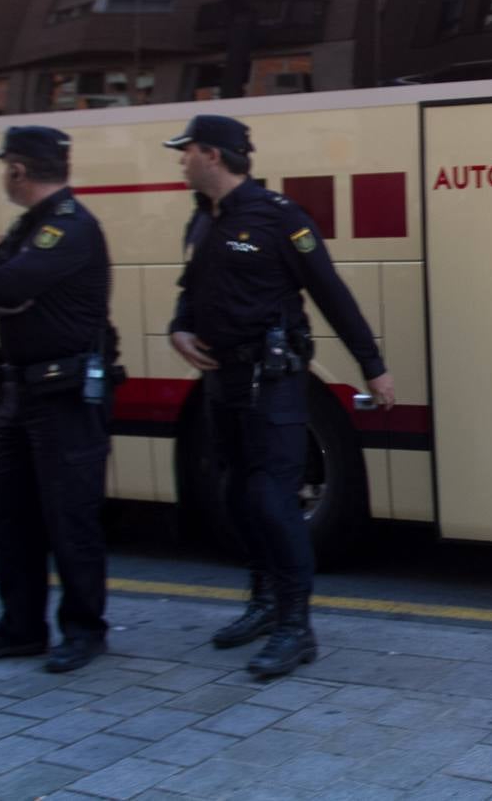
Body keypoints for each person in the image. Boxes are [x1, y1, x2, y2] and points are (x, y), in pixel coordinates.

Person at [164, 114, 395, 678]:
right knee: (238, 498)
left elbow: (330, 293)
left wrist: (373, 367)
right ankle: (265, 604)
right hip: (224, 383)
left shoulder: (279, 217)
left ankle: (297, 628)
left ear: (213, 155)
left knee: (272, 499)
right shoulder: (204, 218)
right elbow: (191, 290)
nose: (181, 160)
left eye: (186, 150)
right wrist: (179, 325)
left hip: (274, 383)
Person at [0, 126, 117, 674]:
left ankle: (84, 630)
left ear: (17, 170)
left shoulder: (69, 227)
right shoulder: (28, 226)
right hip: (22, 391)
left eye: (3, 166)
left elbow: (6, 287)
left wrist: (1, 292)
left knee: (70, 517)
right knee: (10, 514)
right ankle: (21, 627)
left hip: (65, 395)